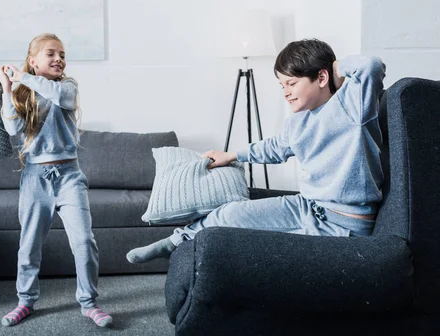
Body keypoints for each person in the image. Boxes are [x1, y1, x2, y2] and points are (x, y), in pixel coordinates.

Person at [127, 38, 386, 264]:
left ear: (321, 78)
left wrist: (336, 67)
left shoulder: (352, 107)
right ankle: (175, 242)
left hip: (343, 225)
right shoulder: (298, 122)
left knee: (255, 252)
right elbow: (274, 148)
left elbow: (371, 66)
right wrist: (232, 155)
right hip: (307, 206)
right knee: (229, 213)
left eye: (291, 84)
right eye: (281, 85)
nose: (285, 92)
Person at [0, 33, 112, 328]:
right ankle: (25, 301)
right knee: (29, 244)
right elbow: (13, 131)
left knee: (84, 241)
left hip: (70, 176)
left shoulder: (67, 87)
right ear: (34, 61)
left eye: (62, 54)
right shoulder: (23, 94)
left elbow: (61, 97)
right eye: (51, 54)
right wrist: (9, 89)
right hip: (35, 178)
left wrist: (24, 75)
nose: (59, 59)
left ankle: (89, 303)